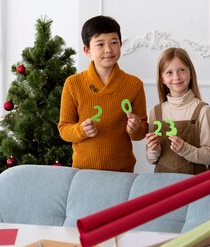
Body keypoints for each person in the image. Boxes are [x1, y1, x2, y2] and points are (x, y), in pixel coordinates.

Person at [58, 15, 148, 171]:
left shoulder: (134, 84)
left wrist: (135, 128)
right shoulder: (73, 84)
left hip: (122, 172)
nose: (108, 49)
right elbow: (64, 129)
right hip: (83, 172)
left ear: (121, 44)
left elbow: (141, 131)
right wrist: (81, 130)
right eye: (100, 44)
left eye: (114, 42)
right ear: (87, 50)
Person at [145, 48, 210, 174]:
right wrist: (154, 149)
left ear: (190, 73)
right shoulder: (156, 112)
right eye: (169, 72)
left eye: (181, 70)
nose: (176, 77)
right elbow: (151, 159)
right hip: (162, 184)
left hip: (194, 185)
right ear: (162, 79)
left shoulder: (203, 110)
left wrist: (185, 149)